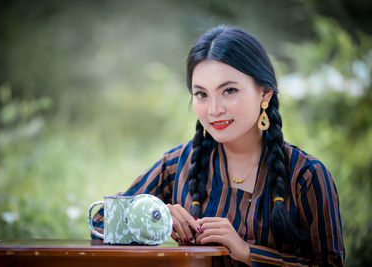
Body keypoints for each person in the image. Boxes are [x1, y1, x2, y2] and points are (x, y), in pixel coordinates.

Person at [91, 25, 345, 266]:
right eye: (201, 94)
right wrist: (155, 215)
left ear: (265, 93)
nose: (214, 110)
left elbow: (330, 264)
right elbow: (100, 225)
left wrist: (247, 252)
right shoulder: (177, 164)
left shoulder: (306, 175)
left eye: (229, 90)